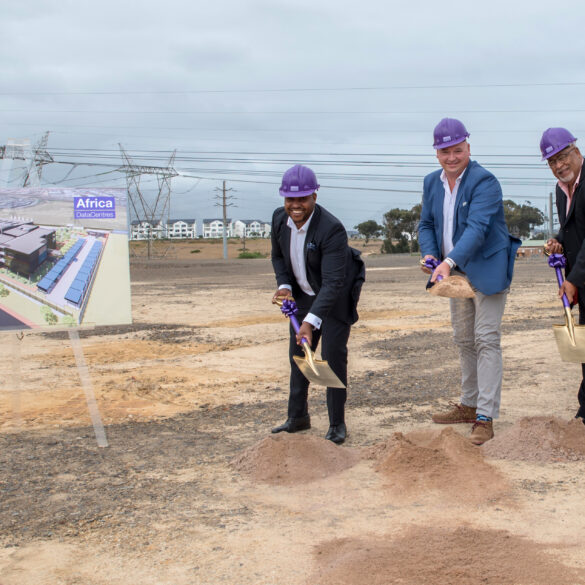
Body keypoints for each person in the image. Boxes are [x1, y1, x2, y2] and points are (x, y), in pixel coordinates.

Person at [418, 118, 521, 445]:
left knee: (486, 339)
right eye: (445, 151)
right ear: (436, 153)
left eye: (457, 150)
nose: (452, 157)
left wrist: (448, 262)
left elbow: (477, 229)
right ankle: (469, 402)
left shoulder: (484, 181)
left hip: (486, 269)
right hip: (454, 272)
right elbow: (426, 224)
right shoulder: (432, 183)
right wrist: (432, 256)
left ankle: (485, 416)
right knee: (464, 339)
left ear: (468, 148)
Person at [270, 164, 365, 444]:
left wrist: (311, 322)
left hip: (334, 297)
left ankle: (337, 424)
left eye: (303, 199)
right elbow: (277, 257)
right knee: (298, 355)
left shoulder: (331, 229)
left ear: (314, 196)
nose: (296, 205)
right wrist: (285, 286)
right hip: (302, 294)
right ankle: (297, 417)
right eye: (290, 199)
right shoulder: (278, 219)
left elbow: (334, 283)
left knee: (333, 358)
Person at [542, 127, 585, 423]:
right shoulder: (561, 189)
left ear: (577, 152)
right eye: (552, 161)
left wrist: (573, 280)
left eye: (563, 157)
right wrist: (557, 240)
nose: (559, 165)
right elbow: (575, 228)